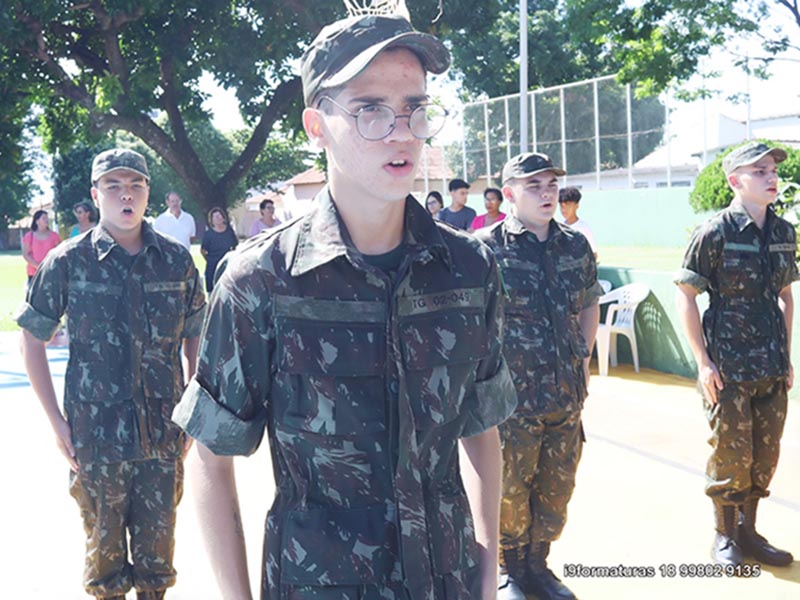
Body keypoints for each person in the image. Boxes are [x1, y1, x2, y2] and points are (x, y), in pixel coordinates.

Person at [172, 9, 516, 600]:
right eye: (370, 110)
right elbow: (211, 456)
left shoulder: (470, 268)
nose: (402, 130)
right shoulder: (261, 281)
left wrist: (487, 576)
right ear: (316, 124)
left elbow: (481, 426)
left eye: (414, 107)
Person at [16, 148, 206, 600]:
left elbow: (196, 333)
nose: (127, 195)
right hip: (95, 437)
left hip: (162, 434)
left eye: (136, 185)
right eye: (114, 186)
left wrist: (193, 406)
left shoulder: (176, 261)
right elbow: (32, 338)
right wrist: (56, 423)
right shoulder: (67, 261)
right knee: (104, 569)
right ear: (95, 194)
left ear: (148, 193)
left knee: (157, 565)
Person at [475, 152, 601, 600]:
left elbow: (589, 300)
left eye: (550, 184)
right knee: (511, 488)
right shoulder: (487, 250)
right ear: (508, 194)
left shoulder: (575, 245)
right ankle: (512, 571)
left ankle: (539, 567)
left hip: (566, 394)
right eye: (534, 186)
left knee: (556, 486)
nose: (546, 193)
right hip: (512, 400)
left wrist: (582, 355)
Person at [674, 141, 796, 569]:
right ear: (734, 181)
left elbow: (785, 296)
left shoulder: (783, 232)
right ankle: (725, 535)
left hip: (770, 366)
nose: (770, 177)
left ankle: (749, 532)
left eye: (772, 170)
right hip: (727, 368)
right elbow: (686, 296)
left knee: (765, 455)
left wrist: (786, 356)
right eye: (759, 171)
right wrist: (703, 362)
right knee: (731, 452)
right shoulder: (714, 232)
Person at [201, 207, 238, 293]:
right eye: (215, 217)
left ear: (223, 218)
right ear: (212, 220)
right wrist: (209, 259)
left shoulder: (229, 232)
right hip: (212, 266)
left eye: (219, 216)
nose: (217, 218)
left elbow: (235, 246)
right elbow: (203, 250)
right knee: (213, 292)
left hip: (228, 266)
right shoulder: (208, 234)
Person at [22, 209, 62, 285]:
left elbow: (60, 253)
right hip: (34, 273)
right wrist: (38, 267)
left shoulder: (54, 236)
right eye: (44, 218)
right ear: (37, 221)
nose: (46, 220)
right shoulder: (29, 236)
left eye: (47, 218)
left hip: (51, 272)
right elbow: (26, 254)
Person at [558, 187, 597, 259]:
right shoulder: (558, 227)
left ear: (577, 205)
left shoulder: (583, 228)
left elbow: (593, 254)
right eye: (562, 206)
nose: (564, 209)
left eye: (568, 205)